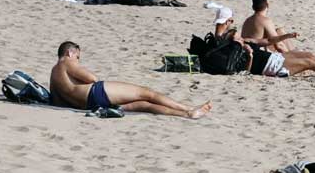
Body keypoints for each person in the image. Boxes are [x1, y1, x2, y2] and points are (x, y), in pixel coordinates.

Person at [50, 41, 211, 118]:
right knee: (147, 93)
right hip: (97, 92)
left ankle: (185, 115)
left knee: (145, 106)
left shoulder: (53, 74)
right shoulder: (66, 62)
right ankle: (188, 108)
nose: (78, 60)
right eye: (78, 56)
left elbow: (57, 102)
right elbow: (92, 78)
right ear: (70, 53)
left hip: (88, 104)